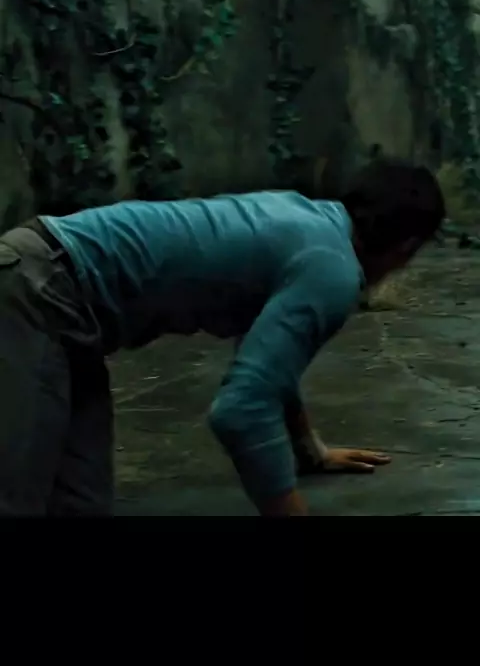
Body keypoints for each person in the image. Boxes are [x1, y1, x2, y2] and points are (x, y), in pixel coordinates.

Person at [0, 157, 445, 517]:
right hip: (37, 286)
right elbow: (241, 410)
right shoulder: (332, 269)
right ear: (407, 246)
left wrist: (309, 450)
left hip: (65, 301)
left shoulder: (311, 222)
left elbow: (270, 362)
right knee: (18, 497)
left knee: (80, 503)